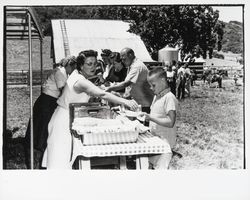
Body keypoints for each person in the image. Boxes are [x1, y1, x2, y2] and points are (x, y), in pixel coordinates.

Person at [42, 50, 138, 169]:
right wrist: (126, 101)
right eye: (89, 64)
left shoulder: (79, 75)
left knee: (65, 161)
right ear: (81, 65)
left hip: (67, 117)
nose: (93, 67)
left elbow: (95, 90)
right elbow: (101, 94)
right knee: (59, 162)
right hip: (62, 121)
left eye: (95, 63)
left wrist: (113, 94)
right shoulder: (79, 81)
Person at [24, 56, 77, 169]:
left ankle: (41, 150)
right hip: (47, 101)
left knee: (44, 127)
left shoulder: (61, 71)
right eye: (72, 67)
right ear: (68, 65)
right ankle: (39, 152)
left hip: (49, 100)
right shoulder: (60, 72)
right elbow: (63, 89)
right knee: (43, 128)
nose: (72, 71)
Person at [139, 67, 178, 169]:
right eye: (150, 85)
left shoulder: (169, 97)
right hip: (156, 141)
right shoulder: (157, 96)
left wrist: (151, 118)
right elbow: (155, 114)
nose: (151, 88)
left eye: (153, 85)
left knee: (160, 169)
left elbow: (170, 122)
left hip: (165, 144)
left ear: (162, 80)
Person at [106, 48, 154, 114]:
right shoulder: (131, 65)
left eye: (124, 59)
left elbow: (126, 83)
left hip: (145, 104)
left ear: (131, 55)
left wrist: (110, 88)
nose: (122, 61)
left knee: (144, 122)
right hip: (139, 103)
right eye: (122, 59)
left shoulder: (137, 66)